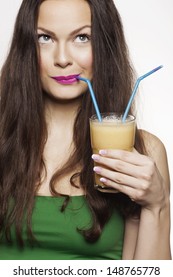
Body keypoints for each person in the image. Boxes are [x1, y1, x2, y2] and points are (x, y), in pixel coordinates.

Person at [0, 0, 171, 260]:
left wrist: (157, 206)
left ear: (103, 44)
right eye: (45, 38)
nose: (63, 59)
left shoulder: (143, 151)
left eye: (82, 37)